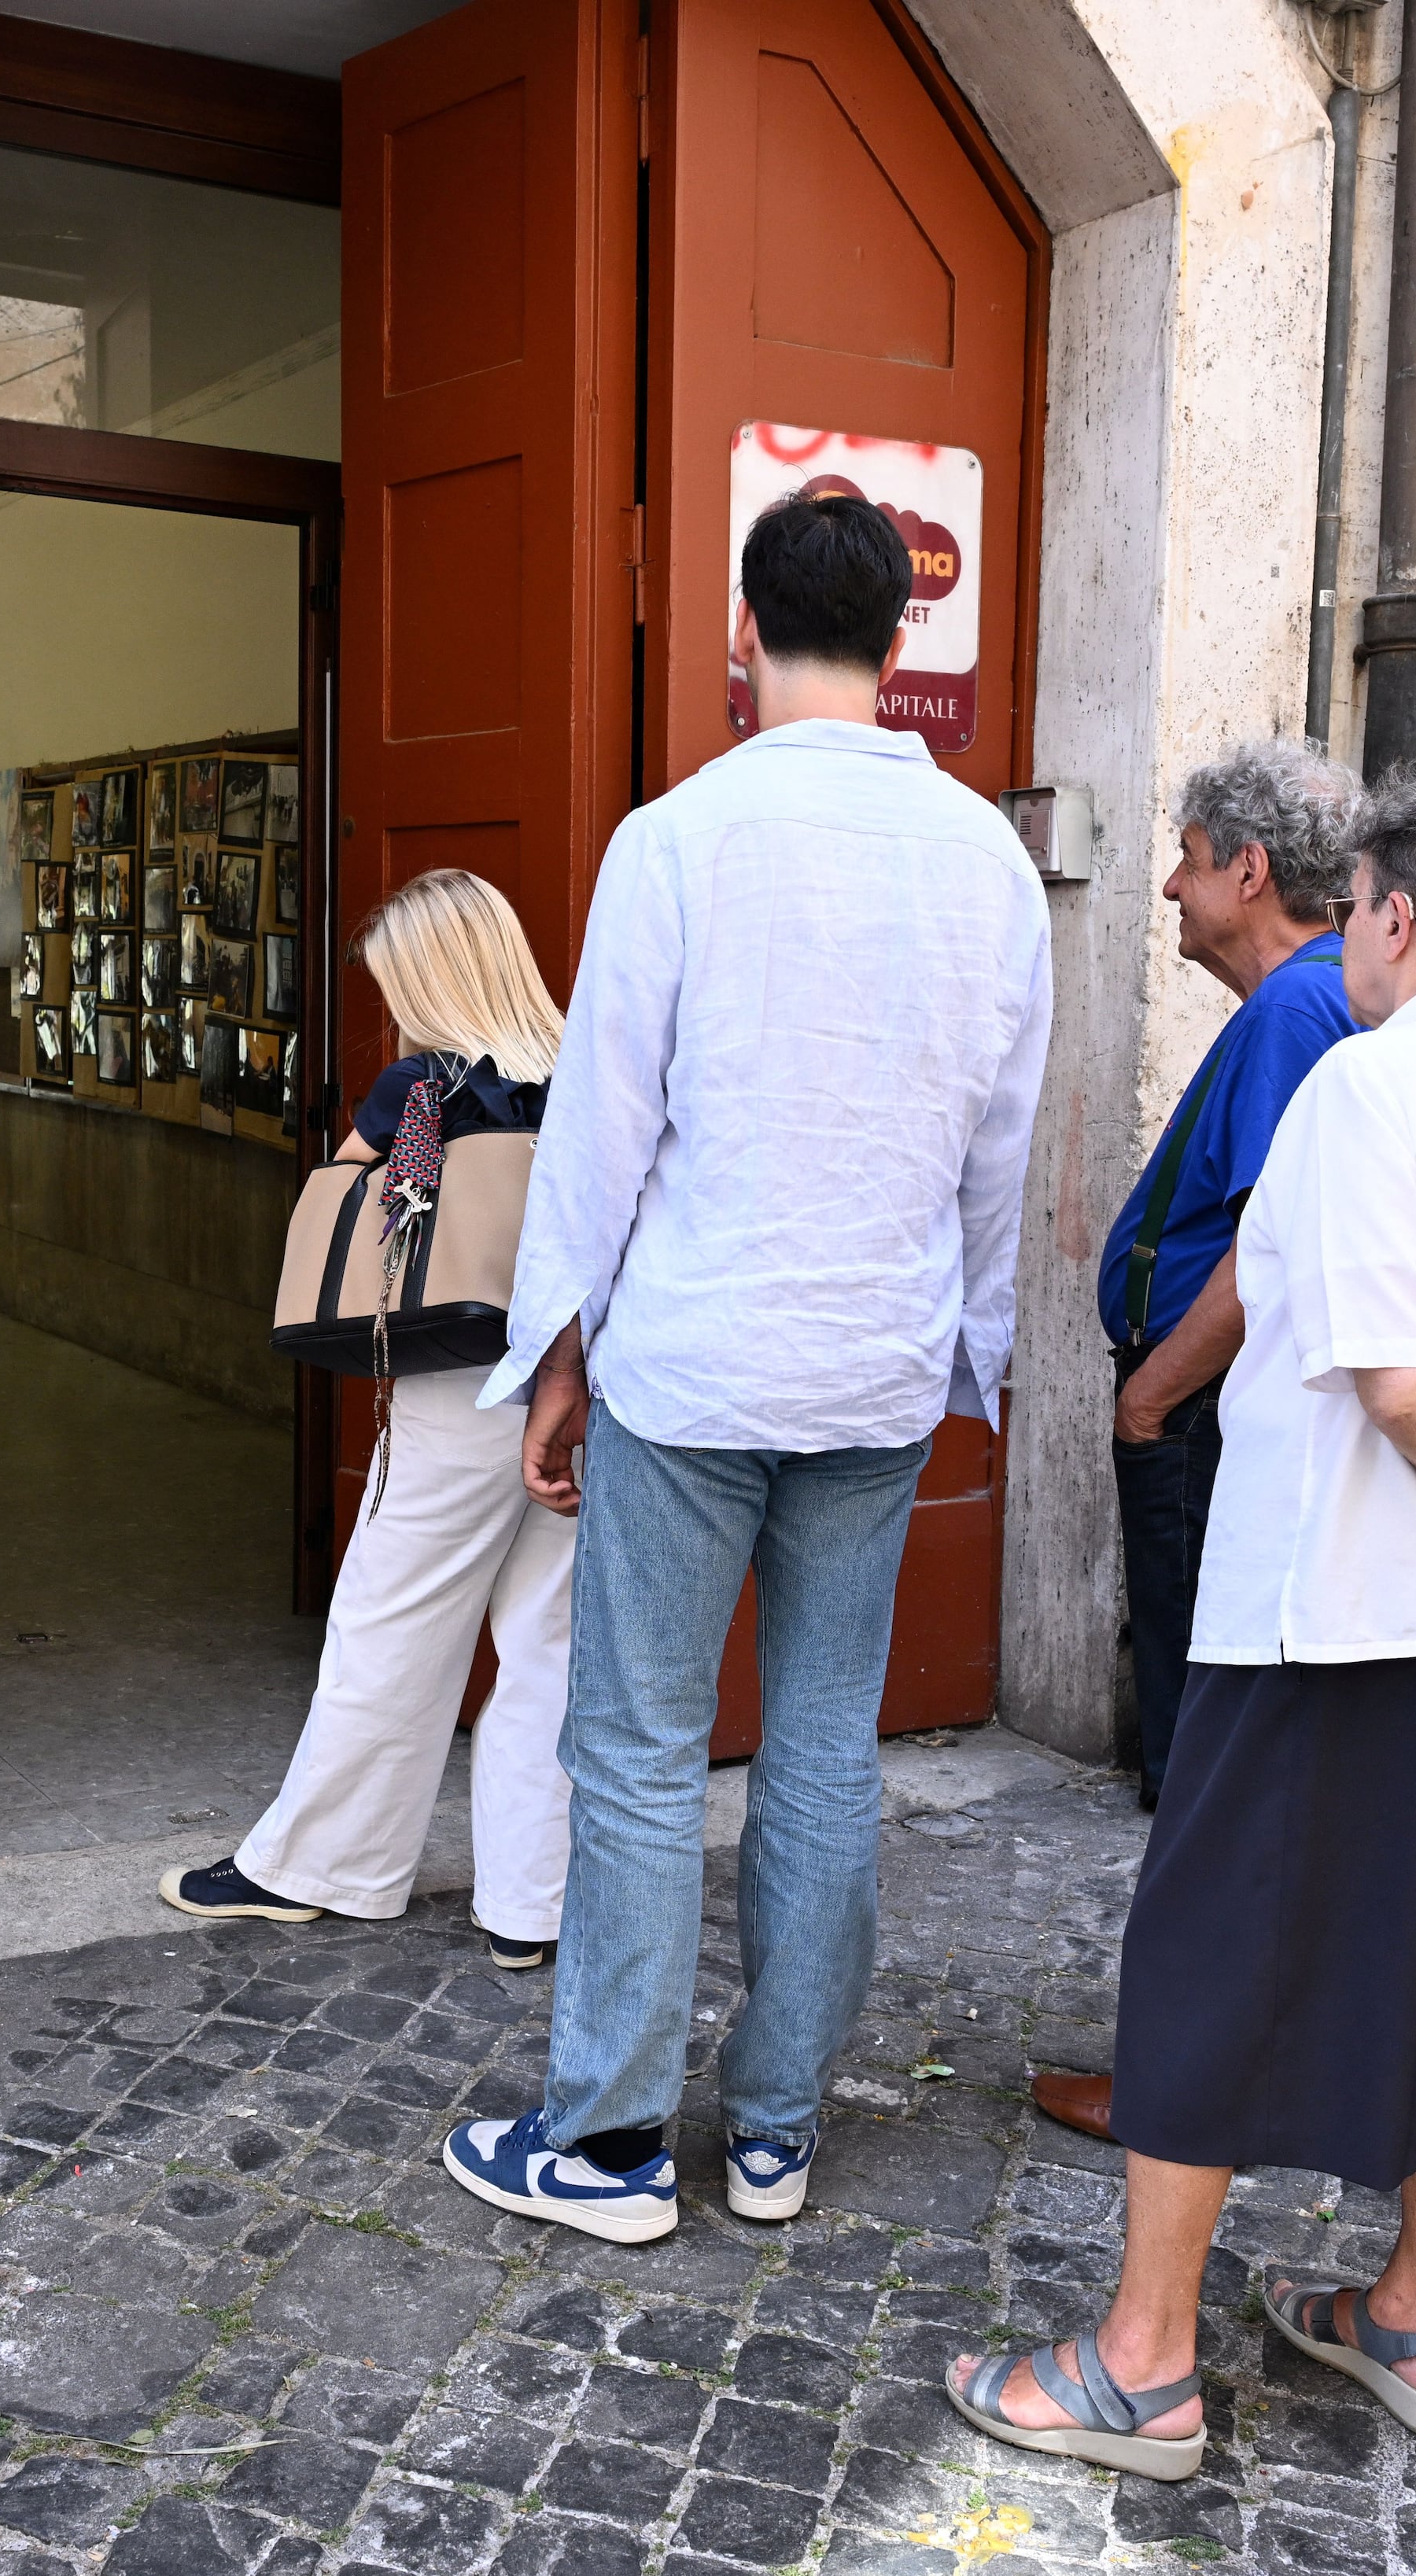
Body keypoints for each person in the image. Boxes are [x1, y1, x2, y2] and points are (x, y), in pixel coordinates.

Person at [946, 765, 1416, 2476]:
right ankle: (1412, 2307)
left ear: (1396, 916)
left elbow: (1396, 1385)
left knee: (1202, 1959)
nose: (1343, 932)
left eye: (1354, 905)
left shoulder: (1366, 1085)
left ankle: (1141, 2360)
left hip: (1324, 1611)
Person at [437, 488, 1052, 2248]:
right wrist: (968, 1350)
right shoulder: (988, 865)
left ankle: (614, 2139)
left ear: (741, 628)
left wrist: (554, 1355)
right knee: (825, 1749)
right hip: (869, 1364)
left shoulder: (678, 837)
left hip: (694, 1358)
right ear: (902, 641)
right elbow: (1000, 1149)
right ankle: (773, 2130)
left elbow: (603, 1136)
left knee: (634, 1744)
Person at [1027, 742, 1360, 2153]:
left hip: (1202, 1413)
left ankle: (1178, 2076)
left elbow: (1272, 1249)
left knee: (1195, 1747)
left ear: (1251, 870)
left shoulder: (1296, 1003)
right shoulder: (1311, 998)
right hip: (1213, 1409)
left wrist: (1152, 1393)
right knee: (1214, 1746)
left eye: (1189, 850)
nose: (1168, 879)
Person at [160, 868, 576, 1970]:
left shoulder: (429, 1093)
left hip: (465, 1390)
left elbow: (377, 1219)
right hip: (583, 1384)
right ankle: (532, 1906)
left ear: (432, 977)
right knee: (551, 1643)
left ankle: (318, 1868)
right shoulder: (582, 1068)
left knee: (390, 1624)